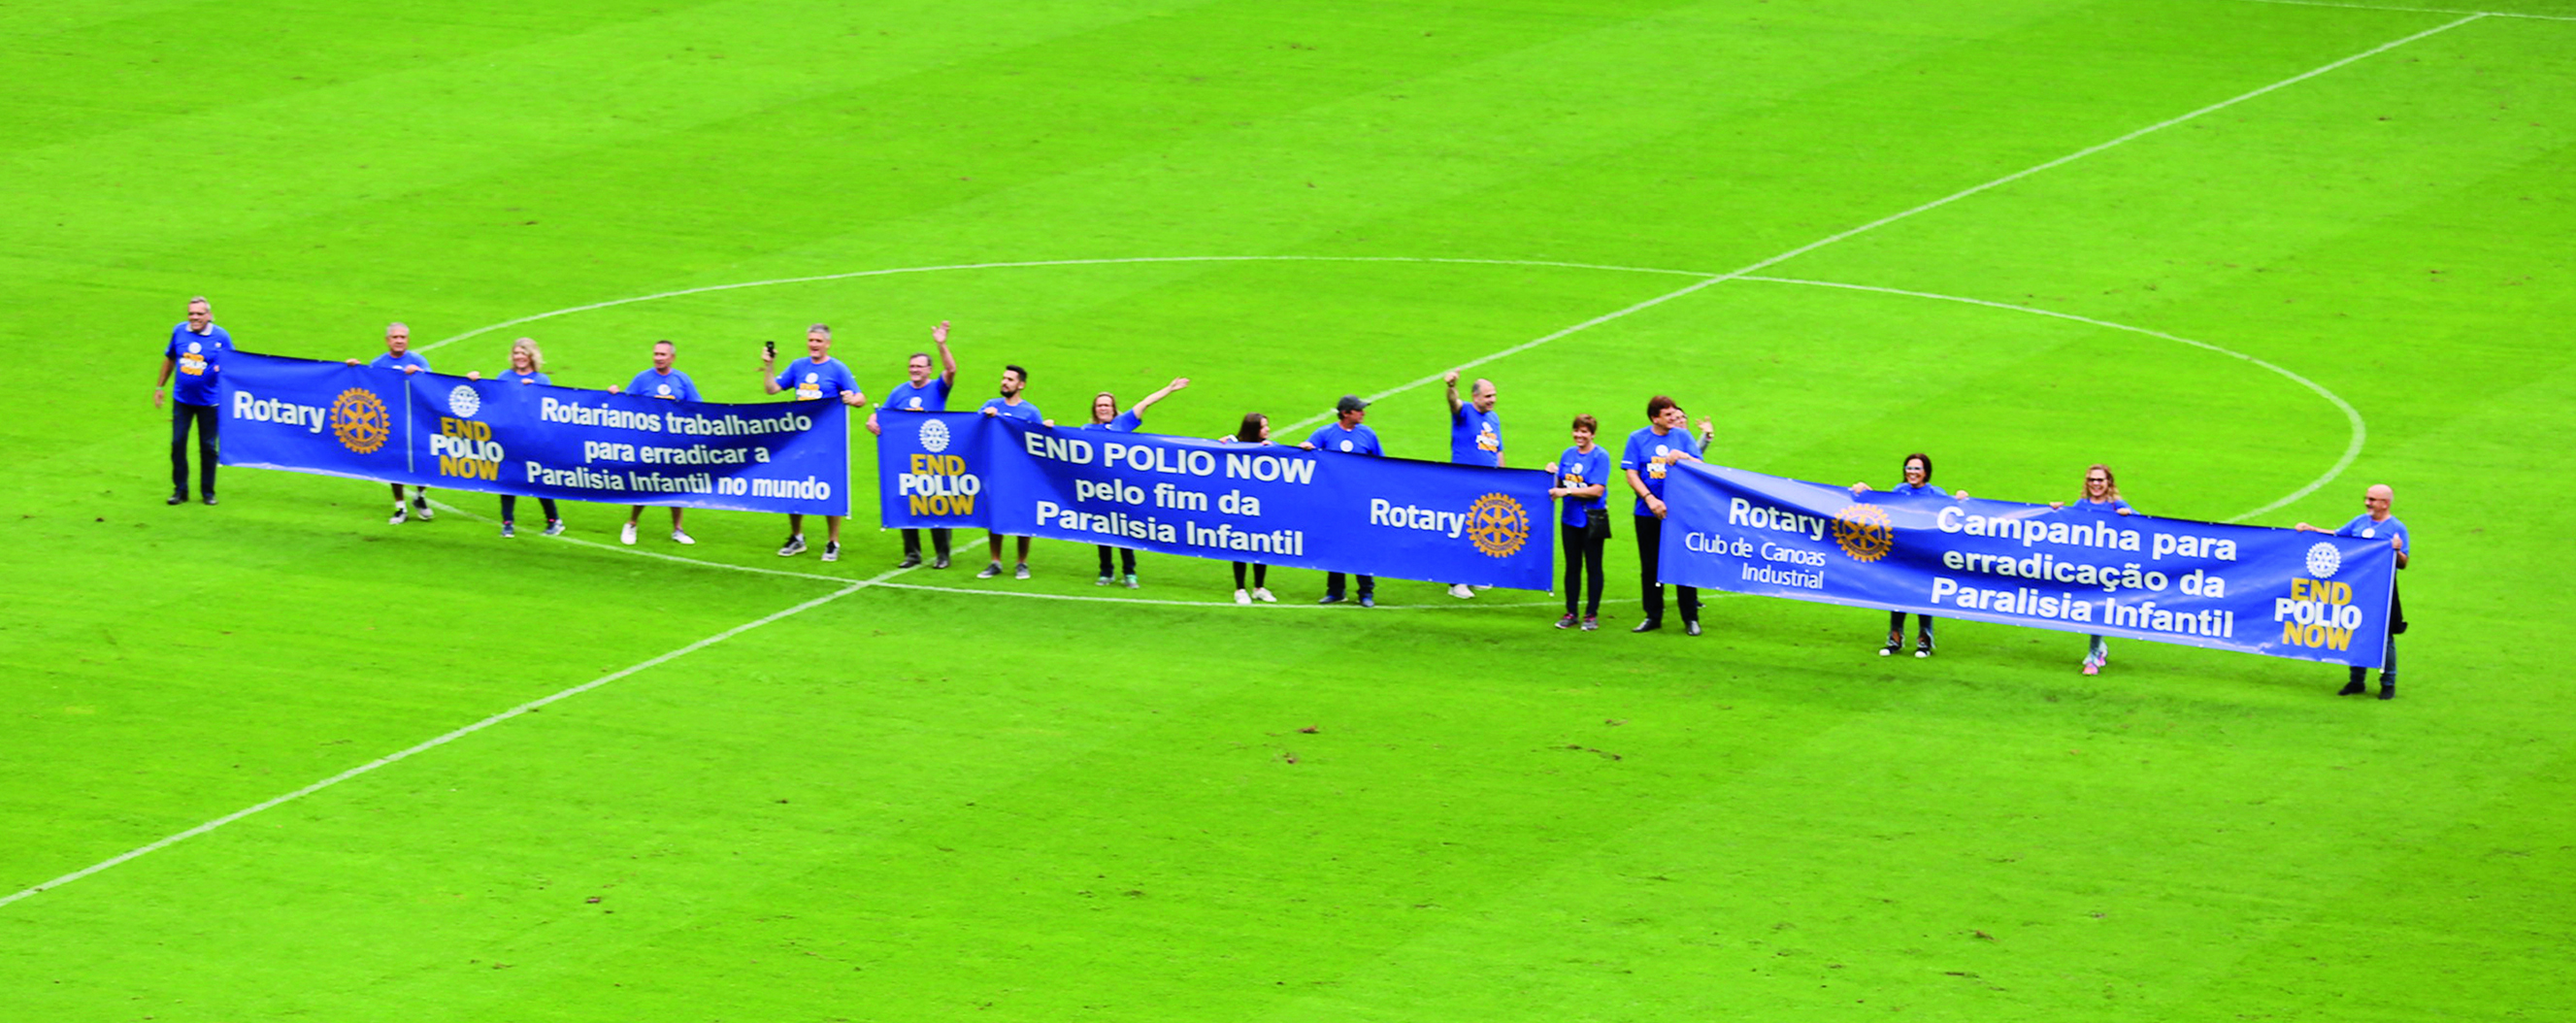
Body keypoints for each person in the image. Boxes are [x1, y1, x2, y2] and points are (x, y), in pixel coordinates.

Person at [762, 324, 868, 562]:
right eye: (811, 340)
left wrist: (852, 399)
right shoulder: (799, 366)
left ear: (828, 343)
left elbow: (860, 397)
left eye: (818, 341)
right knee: (794, 486)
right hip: (799, 440)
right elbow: (771, 389)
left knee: (829, 488)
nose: (813, 345)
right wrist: (769, 365)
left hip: (828, 441)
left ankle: (833, 542)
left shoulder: (837, 369)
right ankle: (797, 537)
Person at [1851, 452, 1968, 656]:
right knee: (1898, 592)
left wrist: (1961, 500)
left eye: (1917, 469)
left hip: (1925, 552)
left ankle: (1925, 641)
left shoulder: (1935, 494)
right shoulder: (1899, 491)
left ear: (1926, 473)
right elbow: (1883, 507)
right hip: (1902, 552)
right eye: (1909, 468)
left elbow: (1953, 514)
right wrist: (1864, 491)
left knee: (1923, 593)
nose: (1912, 473)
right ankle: (1894, 639)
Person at [2299, 484, 2410, 700]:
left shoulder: (2397, 528)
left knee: (2384, 637)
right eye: (2367, 498)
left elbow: (2403, 563)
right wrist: (2312, 530)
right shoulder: (2360, 521)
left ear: (2385, 503)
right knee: (2355, 629)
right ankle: (2356, 681)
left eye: (2372, 499)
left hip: (2382, 590)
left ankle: (2388, 684)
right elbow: (2338, 536)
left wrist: (2396, 550)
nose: (2367, 502)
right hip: (2356, 588)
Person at [1078, 377, 1191, 587]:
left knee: (1123, 530)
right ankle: (1106, 572)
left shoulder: (1122, 424)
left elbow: (1145, 403)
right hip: (1098, 488)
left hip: (1122, 488)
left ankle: (1129, 573)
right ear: (1095, 410)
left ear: (1113, 409)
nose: (1103, 408)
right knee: (1101, 531)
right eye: (1100, 405)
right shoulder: (1085, 430)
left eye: (1107, 405)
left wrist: (1169, 388)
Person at [866, 321, 959, 569]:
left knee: (936, 503)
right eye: (911, 366)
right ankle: (912, 554)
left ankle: (942, 554)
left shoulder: (938, 389)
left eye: (919, 366)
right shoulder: (899, 392)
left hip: (933, 457)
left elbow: (951, 370)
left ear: (929, 370)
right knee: (908, 501)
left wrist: (941, 344)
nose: (914, 370)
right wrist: (872, 421)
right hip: (906, 458)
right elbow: (881, 414)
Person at [1622, 396, 1713, 635]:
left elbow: (1700, 467)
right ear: (1655, 418)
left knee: (1683, 562)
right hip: (1647, 512)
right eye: (1668, 415)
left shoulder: (1682, 437)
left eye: (1675, 414)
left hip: (1680, 512)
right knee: (1650, 566)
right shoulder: (1637, 438)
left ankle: (1690, 617)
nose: (1674, 418)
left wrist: (1683, 457)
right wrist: (1650, 499)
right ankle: (1653, 615)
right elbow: (1631, 474)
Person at [465, 339, 563, 538]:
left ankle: (554, 520)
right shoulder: (505, 376)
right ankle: (508, 522)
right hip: (509, 436)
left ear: (531, 355)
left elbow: (549, 407)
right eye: (516, 353)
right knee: (508, 478)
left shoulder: (542, 380)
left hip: (533, 439)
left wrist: (534, 390)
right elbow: (491, 399)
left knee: (537, 479)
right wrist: (475, 382)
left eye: (523, 353)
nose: (519, 357)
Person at [612, 340, 698, 545]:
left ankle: (678, 529)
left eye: (662, 354)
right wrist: (615, 393)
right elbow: (627, 402)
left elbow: (697, 407)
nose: (658, 358)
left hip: (674, 442)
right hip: (648, 442)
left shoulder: (682, 380)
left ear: (672, 358)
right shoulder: (643, 379)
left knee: (676, 484)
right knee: (645, 481)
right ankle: (631, 523)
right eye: (656, 354)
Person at [2052, 464, 2135, 675]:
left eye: (2100, 480)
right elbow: (2067, 527)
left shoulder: (2117, 505)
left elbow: (2145, 528)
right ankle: (2100, 647)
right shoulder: (2081, 505)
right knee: (2087, 610)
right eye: (2092, 480)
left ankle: (2093, 658)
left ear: (2109, 483)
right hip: (2086, 568)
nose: (2096, 484)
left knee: (2098, 611)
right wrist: (2055, 512)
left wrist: (2129, 516)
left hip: (2109, 570)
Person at [1303, 395, 1383, 607]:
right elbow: (1305, 455)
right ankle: (1336, 591)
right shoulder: (1325, 433)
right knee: (1334, 543)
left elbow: (1381, 465)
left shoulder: (1368, 434)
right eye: (1359, 410)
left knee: (1360, 544)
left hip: (1360, 500)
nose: (1363, 412)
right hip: (1333, 501)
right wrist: (1306, 448)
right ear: (1346, 413)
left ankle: (1366, 592)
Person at [348, 322, 433, 524]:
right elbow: (366, 386)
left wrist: (420, 372)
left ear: (408, 340)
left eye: (402, 337)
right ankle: (400, 507)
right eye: (395, 337)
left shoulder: (418, 360)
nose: (399, 340)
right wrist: (353, 369)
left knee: (423, 459)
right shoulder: (379, 363)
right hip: (391, 420)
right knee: (396, 462)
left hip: (416, 419)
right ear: (388, 340)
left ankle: (419, 497)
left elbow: (434, 384)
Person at [154, 296, 230, 506]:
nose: (194, 317)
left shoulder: (221, 336)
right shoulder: (179, 331)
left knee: (208, 447)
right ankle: (180, 490)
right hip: (183, 399)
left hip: (209, 402)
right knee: (177, 443)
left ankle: (208, 492)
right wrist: (160, 386)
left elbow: (232, 363)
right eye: (191, 313)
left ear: (209, 315)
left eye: (199, 313)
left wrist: (220, 370)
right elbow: (170, 358)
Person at [976, 364, 1046, 579]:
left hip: (1020, 472)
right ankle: (995, 561)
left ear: (1021, 385)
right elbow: (972, 429)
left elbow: (1039, 440)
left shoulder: (1030, 411)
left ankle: (1021, 563)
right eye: (1003, 378)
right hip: (995, 470)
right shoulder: (990, 406)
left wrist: (1047, 427)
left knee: (1021, 516)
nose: (1004, 382)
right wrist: (984, 418)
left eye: (1010, 379)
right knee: (994, 515)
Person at [1546, 414, 1610, 630]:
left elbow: (1597, 489)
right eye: (1576, 430)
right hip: (1570, 519)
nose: (1579, 435)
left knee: (1594, 567)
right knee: (1572, 567)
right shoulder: (1568, 454)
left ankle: (1591, 614)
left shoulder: (1601, 456)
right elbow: (1559, 483)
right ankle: (1571, 612)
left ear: (1592, 434)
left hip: (1593, 519)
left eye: (1584, 431)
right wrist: (1551, 473)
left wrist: (1567, 491)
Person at [1443, 370, 1503, 600]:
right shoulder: (1465, 412)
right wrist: (1451, 386)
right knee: (1462, 529)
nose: (1493, 400)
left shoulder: (1493, 418)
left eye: (1494, 395)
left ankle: (1476, 574)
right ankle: (1456, 581)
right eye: (1488, 396)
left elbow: (1498, 450)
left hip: (1487, 482)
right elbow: (1453, 402)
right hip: (1464, 482)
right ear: (1475, 396)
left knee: (1482, 528)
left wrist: (1504, 478)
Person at [1221, 412, 1278, 605]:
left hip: (1261, 505)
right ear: (1254, 429)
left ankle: (1259, 588)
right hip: (1239, 504)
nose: (1268, 430)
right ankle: (1240, 589)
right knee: (1240, 545)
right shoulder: (1233, 443)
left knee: (1261, 545)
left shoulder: (1269, 447)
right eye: (1264, 426)